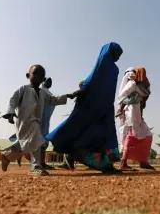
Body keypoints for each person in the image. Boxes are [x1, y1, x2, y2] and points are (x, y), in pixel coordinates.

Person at [46, 42, 123, 174]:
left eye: (120, 56)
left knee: (103, 133)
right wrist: (83, 91)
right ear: (110, 53)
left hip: (104, 107)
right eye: (117, 54)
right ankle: (97, 161)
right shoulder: (105, 64)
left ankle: (105, 164)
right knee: (94, 132)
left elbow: (95, 82)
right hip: (97, 106)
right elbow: (92, 81)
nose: (118, 57)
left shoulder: (112, 68)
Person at [1, 64, 75, 176]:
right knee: (38, 141)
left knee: (26, 143)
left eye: (41, 75)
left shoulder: (43, 93)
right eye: (35, 73)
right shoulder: (23, 89)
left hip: (36, 122)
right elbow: (13, 100)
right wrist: (10, 113)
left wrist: (68, 96)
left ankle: (7, 156)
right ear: (28, 75)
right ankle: (36, 166)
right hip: (24, 122)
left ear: (43, 79)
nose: (38, 76)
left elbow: (52, 100)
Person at [117, 66, 155, 171]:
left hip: (136, 112)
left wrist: (141, 115)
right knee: (131, 135)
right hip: (130, 112)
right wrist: (120, 109)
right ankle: (123, 162)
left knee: (147, 134)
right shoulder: (131, 84)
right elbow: (122, 97)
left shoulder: (141, 86)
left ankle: (143, 161)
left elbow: (142, 101)